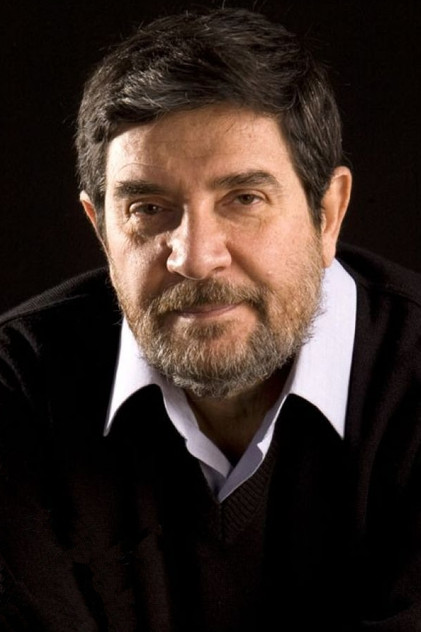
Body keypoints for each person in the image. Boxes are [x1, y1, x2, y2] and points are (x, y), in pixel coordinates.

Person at [0, 7, 420, 631]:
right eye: (148, 208)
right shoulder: (16, 386)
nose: (195, 258)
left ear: (327, 214)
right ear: (101, 230)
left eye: (244, 199)